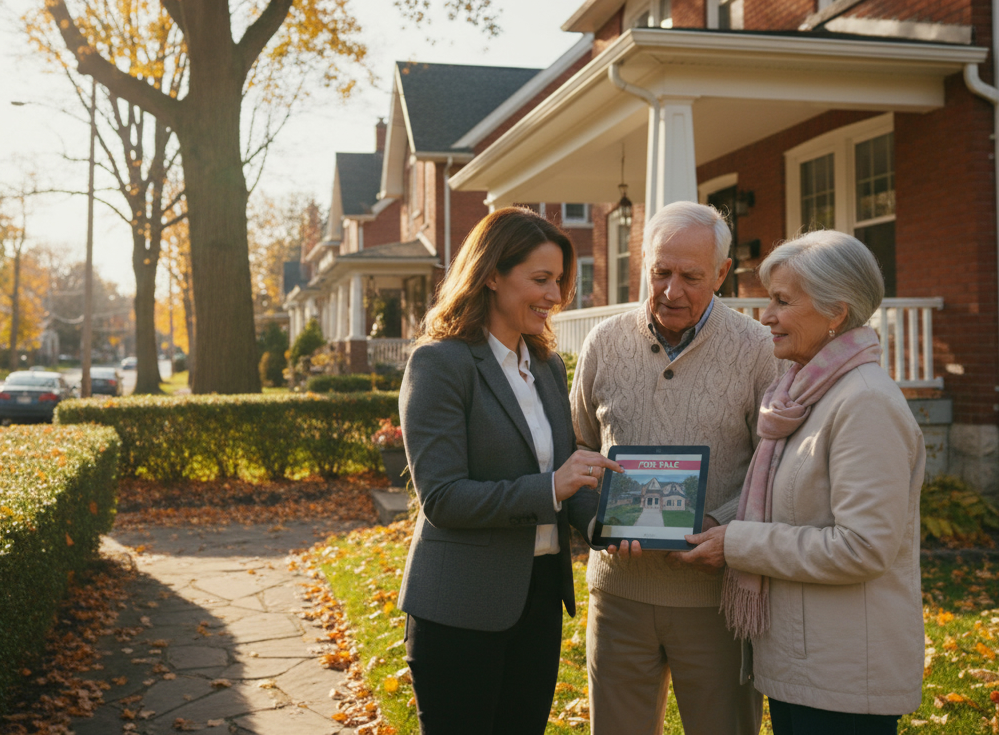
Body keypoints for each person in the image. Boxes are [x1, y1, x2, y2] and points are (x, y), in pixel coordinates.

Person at [678, 229, 926, 735]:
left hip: (846, 678)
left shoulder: (864, 403)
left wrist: (737, 544)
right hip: (805, 667)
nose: (765, 316)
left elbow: (862, 547)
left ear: (837, 312)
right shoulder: (803, 395)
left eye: (782, 301)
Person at [397, 207, 624, 735]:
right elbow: (444, 499)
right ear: (492, 274)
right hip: (459, 608)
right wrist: (550, 487)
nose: (554, 296)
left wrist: (606, 527)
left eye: (560, 282)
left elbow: (569, 476)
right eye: (540, 279)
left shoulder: (545, 365)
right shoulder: (440, 364)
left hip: (539, 598)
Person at [570, 201, 782, 735]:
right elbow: (576, 447)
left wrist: (724, 527)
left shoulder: (758, 349)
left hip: (712, 598)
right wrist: (597, 519)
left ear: (721, 273)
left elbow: (774, 463)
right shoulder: (604, 342)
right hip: (618, 595)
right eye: (660, 272)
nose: (671, 290)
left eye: (690, 276)